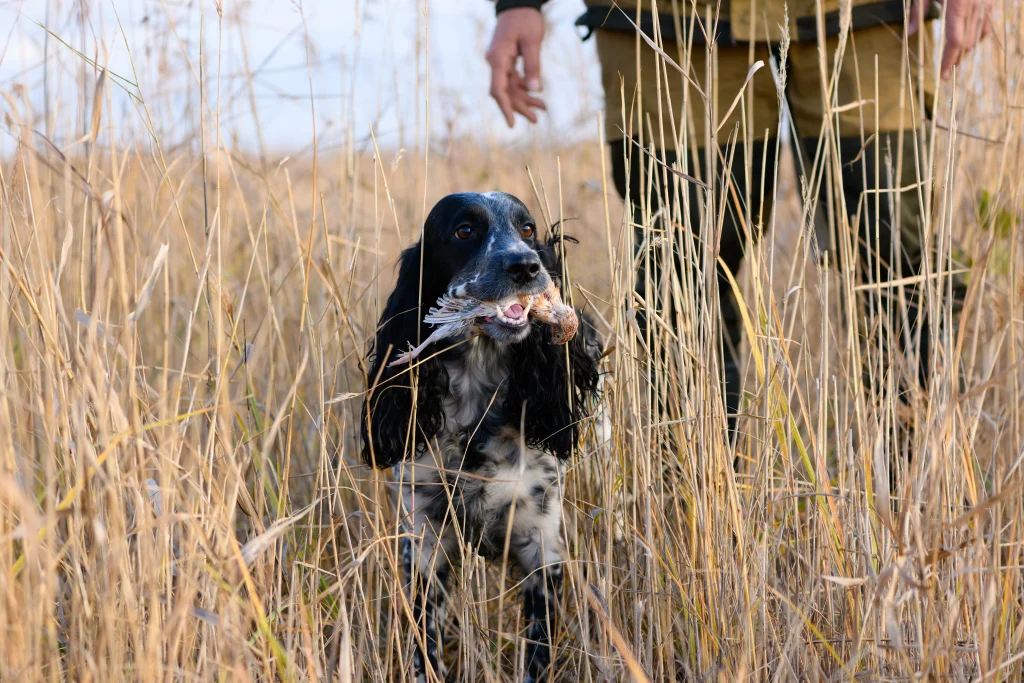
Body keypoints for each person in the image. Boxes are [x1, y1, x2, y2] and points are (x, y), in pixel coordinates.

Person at [486, 0, 989, 433]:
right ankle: (687, 514)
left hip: (863, 16)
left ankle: (920, 510)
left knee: (897, 255)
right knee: (678, 276)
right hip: (665, 20)